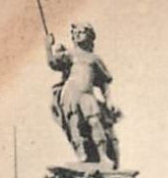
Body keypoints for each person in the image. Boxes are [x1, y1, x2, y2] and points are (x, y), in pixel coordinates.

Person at [45, 23, 120, 168]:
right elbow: (53, 63)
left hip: (87, 94)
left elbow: (104, 82)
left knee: (95, 122)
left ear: (90, 36)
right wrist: (48, 47)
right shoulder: (70, 54)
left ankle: (103, 156)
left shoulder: (94, 59)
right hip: (71, 93)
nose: (77, 34)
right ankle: (82, 156)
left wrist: (108, 100)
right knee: (75, 124)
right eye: (75, 32)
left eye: (82, 32)